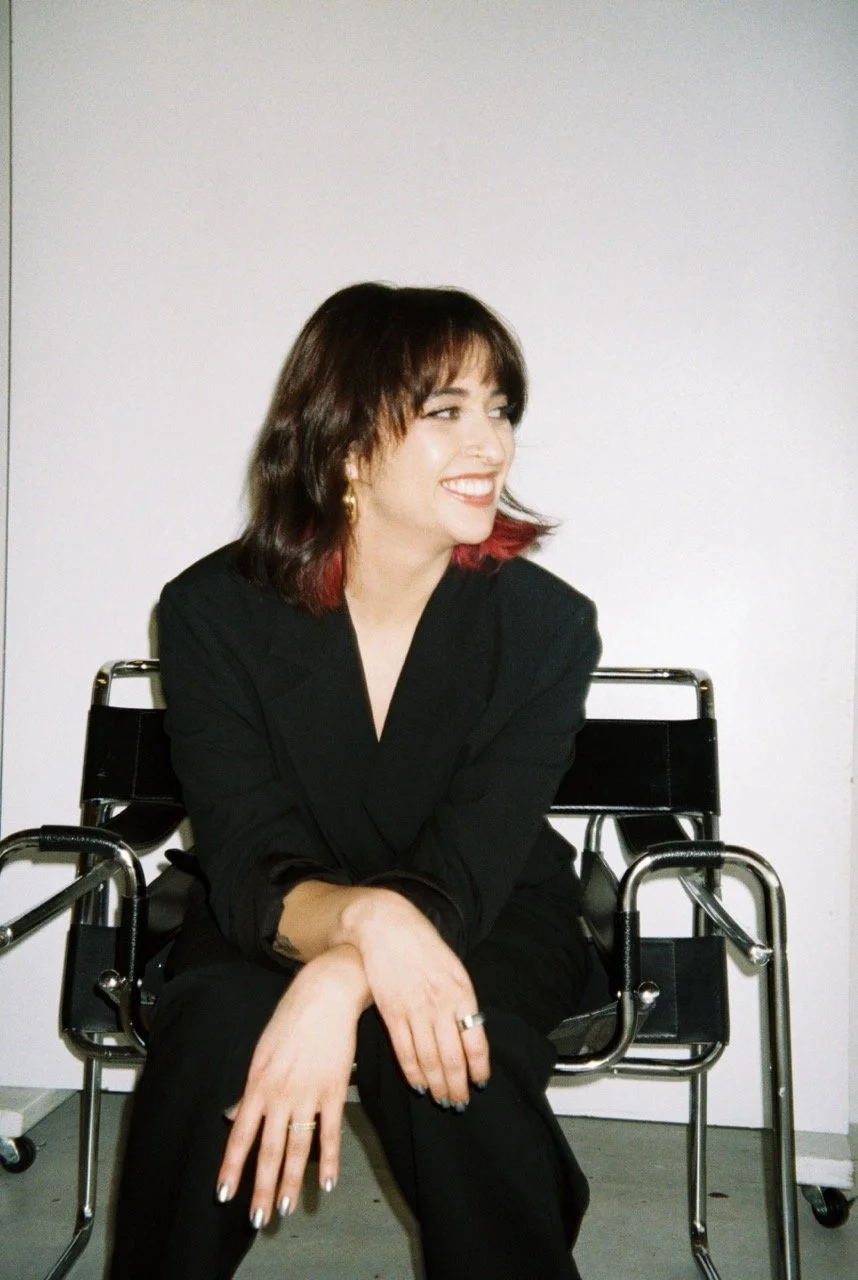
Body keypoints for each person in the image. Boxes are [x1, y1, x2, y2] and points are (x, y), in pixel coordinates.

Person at [109, 282, 601, 1280]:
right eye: (447, 410)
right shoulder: (211, 614)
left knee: (457, 1044)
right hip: (276, 898)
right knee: (212, 1026)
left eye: (500, 406)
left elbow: (469, 868)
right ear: (344, 444)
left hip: (493, 906)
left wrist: (344, 971)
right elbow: (244, 854)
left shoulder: (548, 626)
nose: (494, 443)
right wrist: (360, 928)